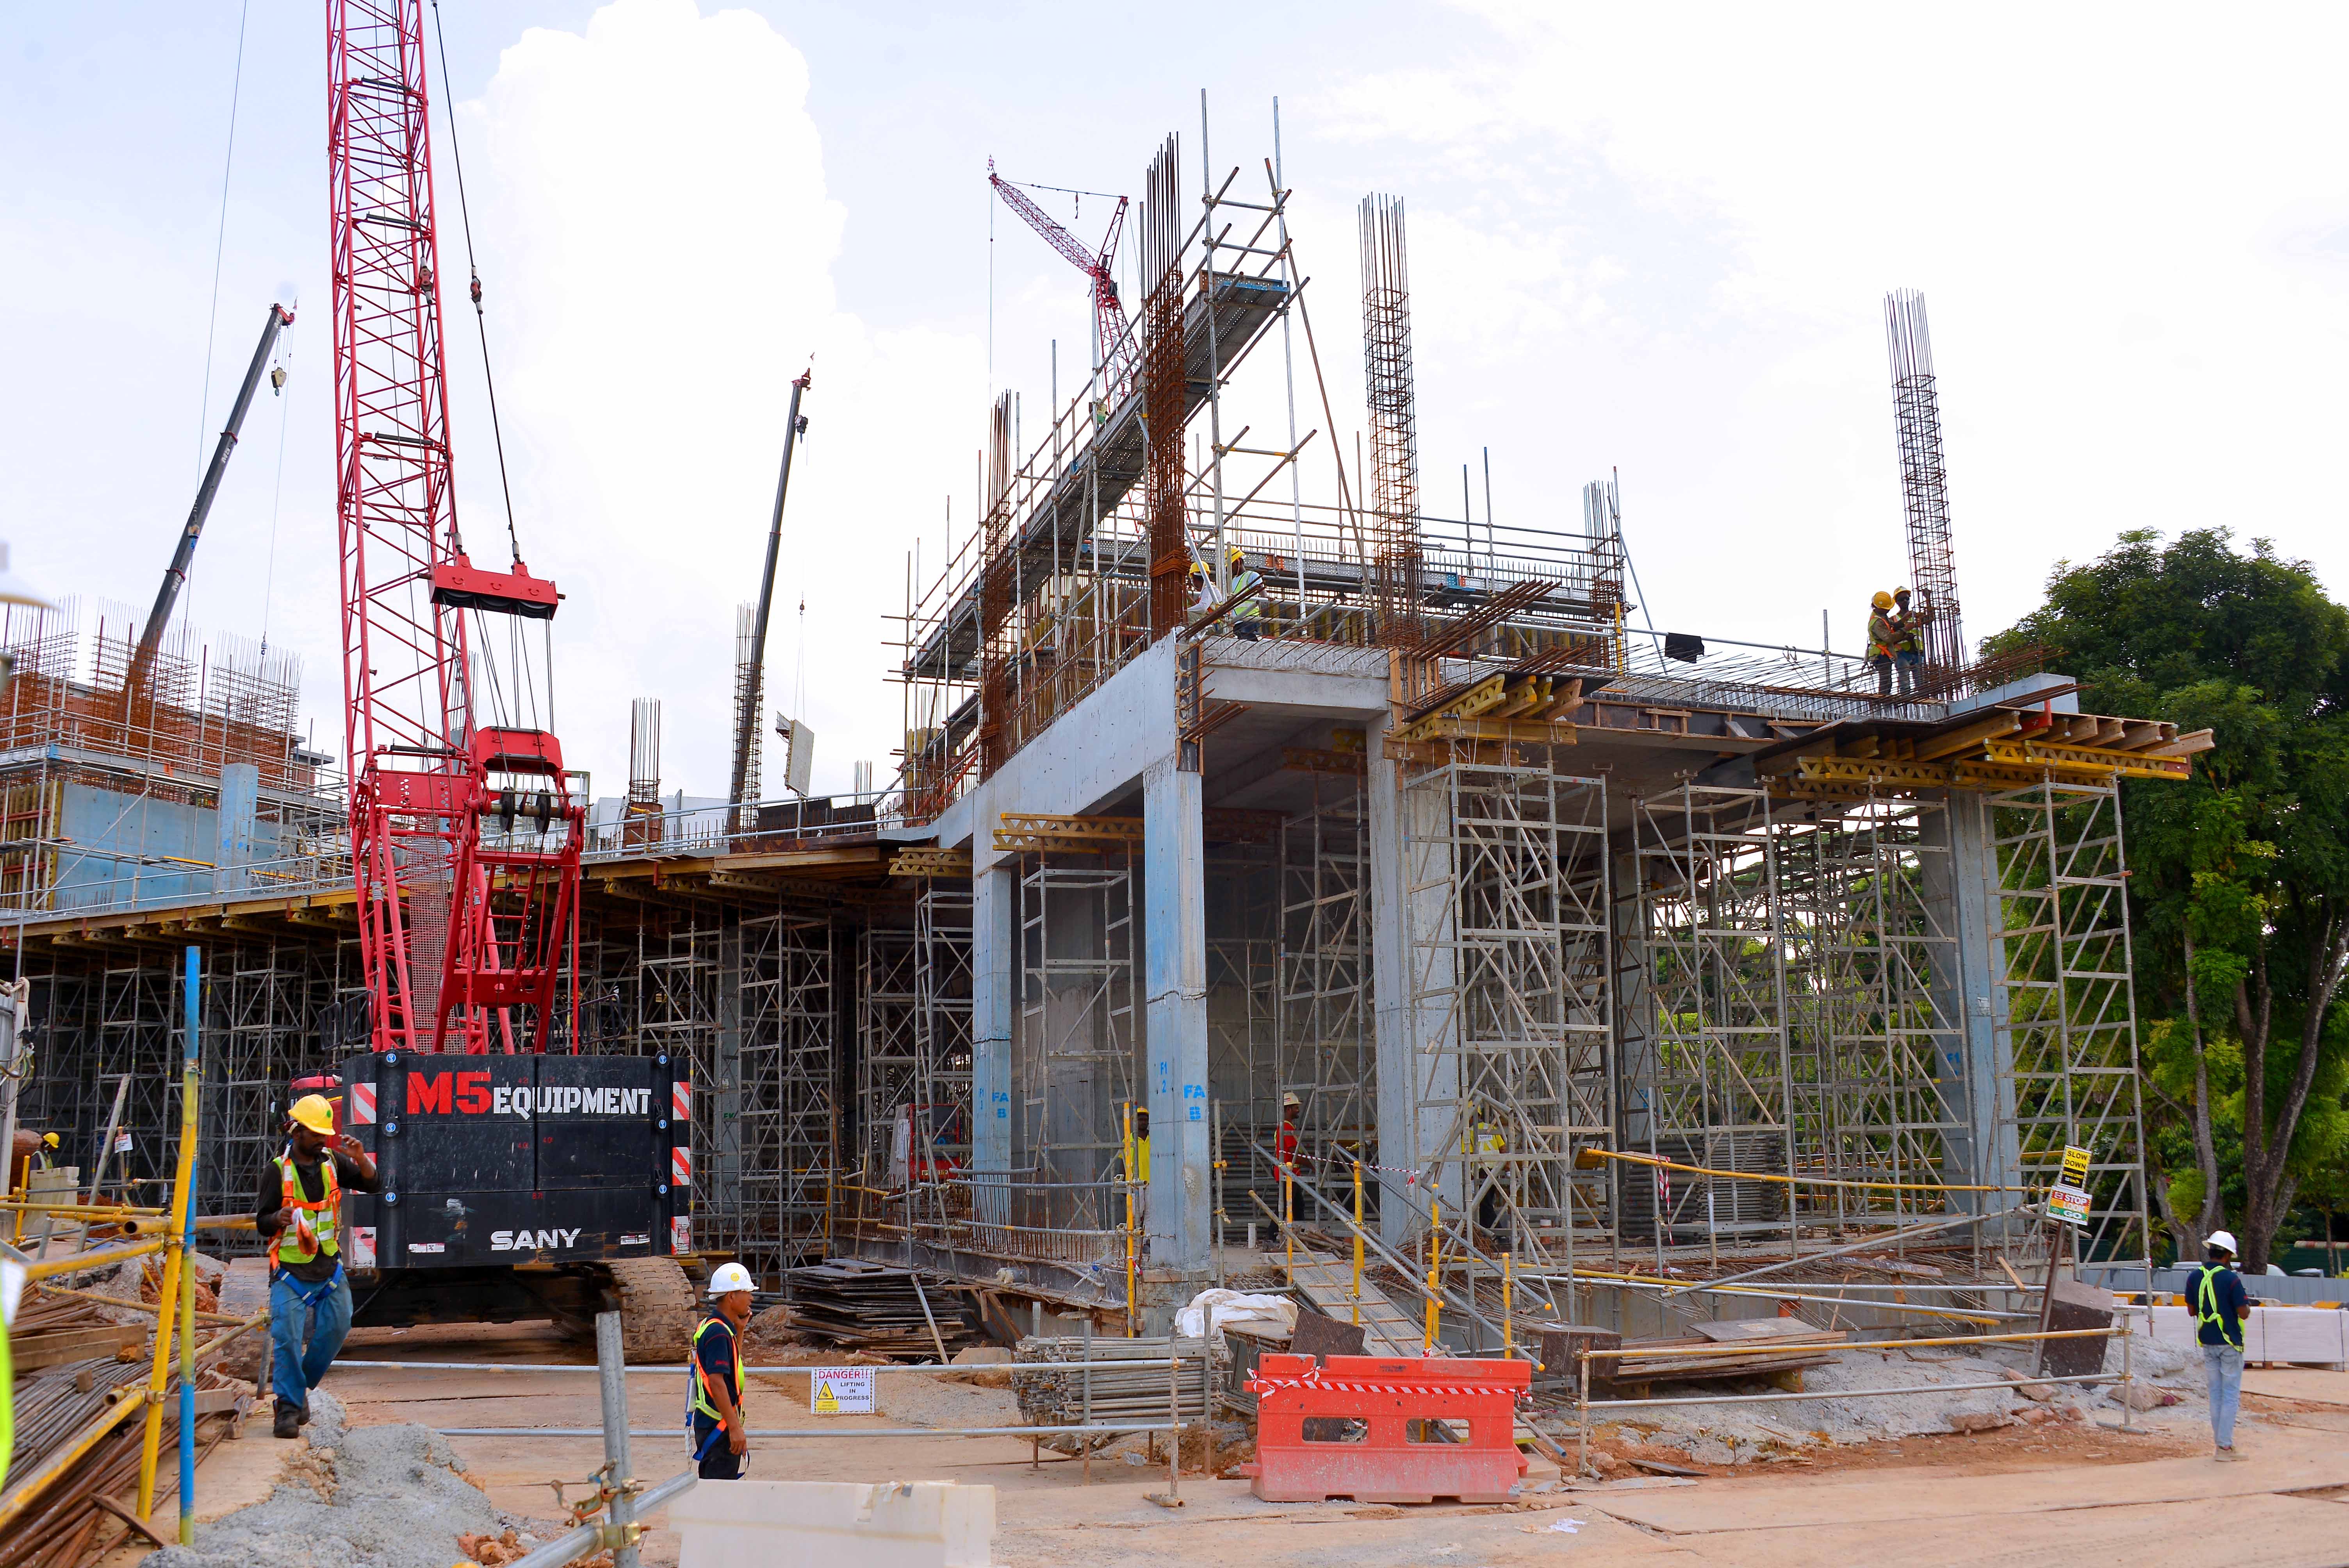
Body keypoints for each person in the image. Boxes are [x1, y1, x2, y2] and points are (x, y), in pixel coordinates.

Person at [257, 1092, 377, 1439]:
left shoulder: (333, 1162)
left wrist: (361, 1159)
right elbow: (261, 1221)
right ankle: (289, 1408)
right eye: (315, 1134)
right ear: (297, 1133)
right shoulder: (276, 1172)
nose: (323, 1139)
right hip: (290, 1273)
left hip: (329, 1270)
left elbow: (373, 1184)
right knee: (287, 1339)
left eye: (325, 1134)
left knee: (337, 1328)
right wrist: (276, 1217)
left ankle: (298, 1389)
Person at [688, 1262, 756, 1479]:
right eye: (746, 1292)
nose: (751, 1298)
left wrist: (740, 1331)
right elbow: (717, 1382)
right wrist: (735, 1428)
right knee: (717, 1499)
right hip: (719, 1428)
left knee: (717, 1496)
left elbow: (731, 1367)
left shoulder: (715, 1326)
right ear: (731, 1297)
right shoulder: (718, 1332)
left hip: (716, 1425)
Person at [2191, 1230, 2255, 1461]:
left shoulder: (2195, 1277)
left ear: (2211, 1250)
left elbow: (2191, 1310)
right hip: (2230, 1343)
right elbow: (2243, 1313)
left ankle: (2221, 1446)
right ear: (2228, 1255)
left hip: (2208, 1341)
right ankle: (2224, 1448)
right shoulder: (2231, 1279)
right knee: (2229, 1395)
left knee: (2216, 1394)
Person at [1866, 590, 1902, 697]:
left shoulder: (1881, 616)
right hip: (1880, 655)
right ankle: (1882, 700)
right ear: (1879, 608)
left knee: (1888, 679)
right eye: (1887, 608)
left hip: (1884, 654)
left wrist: (1903, 620)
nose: (1889, 610)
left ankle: (1885, 698)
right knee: (1885, 679)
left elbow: (1893, 625)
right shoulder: (1877, 622)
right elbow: (1889, 638)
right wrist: (1904, 631)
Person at [1891, 587, 1925, 697]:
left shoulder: (1917, 616)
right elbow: (1889, 636)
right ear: (1897, 602)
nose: (1905, 601)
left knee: (1921, 684)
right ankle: (1906, 703)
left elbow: (1930, 619)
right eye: (1902, 599)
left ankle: (1922, 702)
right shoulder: (1893, 619)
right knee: (1904, 683)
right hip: (1902, 654)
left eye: (1907, 598)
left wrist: (1928, 599)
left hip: (1917, 653)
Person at [1228, 549, 1264, 641]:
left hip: (1250, 620)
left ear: (1238, 562)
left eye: (1231, 566)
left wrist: (1268, 598)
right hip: (1237, 621)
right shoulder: (1232, 581)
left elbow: (1262, 591)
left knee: (1248, 647)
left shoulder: (1252, 575)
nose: (1229, 569)